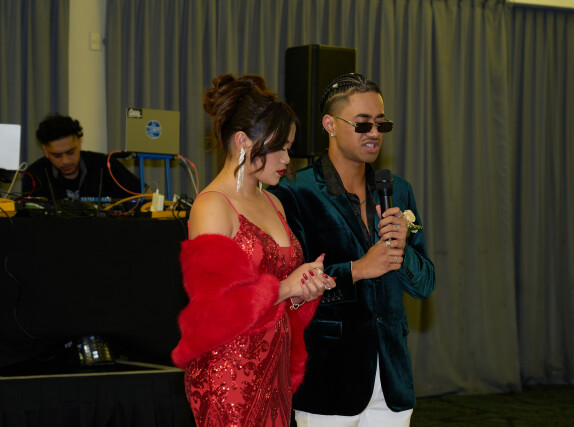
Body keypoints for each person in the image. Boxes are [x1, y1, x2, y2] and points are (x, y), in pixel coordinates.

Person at [269, 73, 436, 426]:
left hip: (391, 380)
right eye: (362, 124)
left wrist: (402, 252)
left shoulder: (398, 190)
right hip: (328, 377)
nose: (374, 133)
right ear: (330, 124)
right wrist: (357, 269)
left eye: (381, 124)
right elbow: (288, 291)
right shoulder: (294, 191)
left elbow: (425, 285)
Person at [171, 74, 335, 427]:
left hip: (274, 367)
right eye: (279, 147)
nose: (287, 158)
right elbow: (213, 313)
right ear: (243, 140)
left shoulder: (274, 202)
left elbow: (279, 300)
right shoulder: (212, 206)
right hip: (229, 376)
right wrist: (288, 286)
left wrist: (303, 291)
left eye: (289, 147)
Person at [23, 114, 141, 200]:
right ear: (46, 150)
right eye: (57, 155)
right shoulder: (34, 175)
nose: (65, 161)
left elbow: (146, 196)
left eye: (70, 152)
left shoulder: (106, 166)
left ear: (79, 143)